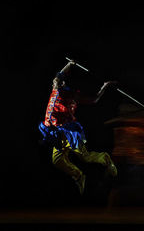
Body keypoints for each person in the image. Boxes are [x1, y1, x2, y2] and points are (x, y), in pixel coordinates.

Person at [38, 60, 118, 195]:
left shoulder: (70, 94)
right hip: (56, 132)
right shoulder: (55, 91)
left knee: (85, 157)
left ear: (64, 85)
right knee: (57, 160)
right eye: (56, 82)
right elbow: (58, 77)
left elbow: (94, 100)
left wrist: (104, 86)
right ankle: (78, 176)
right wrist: (69, 65)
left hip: (70, 132)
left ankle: (106, 159)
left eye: (59, 82)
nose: (55, 83)